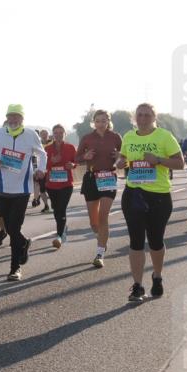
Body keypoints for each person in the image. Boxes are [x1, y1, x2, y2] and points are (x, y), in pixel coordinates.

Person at [116, 103, 184, 303]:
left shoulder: (164, 136)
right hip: (133, 194)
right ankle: (137, 286)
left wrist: (159, 160)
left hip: (158, 196)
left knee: (155, 241)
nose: (143, 118)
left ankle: (157, 275)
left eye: (147, 115)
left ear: (154, 117)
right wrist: (120, 162)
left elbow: (180, 163)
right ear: (134, 118)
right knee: (136, 241)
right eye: (139, 115)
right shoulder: (129, 136)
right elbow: (123, 157)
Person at [0, 105, 46, 281]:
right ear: (6, 118)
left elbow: (42, 154)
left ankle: (15, 268)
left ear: (22, 119)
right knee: (9, 228)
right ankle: (24, 242)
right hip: (2, 189)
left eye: (16, 117)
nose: (13, 120)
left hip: (22, 189)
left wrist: (41, 169)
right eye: (10, 116)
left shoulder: (30, 134)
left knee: (14, 228)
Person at [76, 109, 122, 267]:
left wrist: (120, 156)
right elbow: (77, 158)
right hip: (91, 179)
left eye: (103, 121)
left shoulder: (115, 137)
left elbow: (125, 156)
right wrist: (85, 156)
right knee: (94, 222)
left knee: (103, 216)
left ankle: (100, 253)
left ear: (108, 122)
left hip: (108, 177)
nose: (101, 124)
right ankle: (101, 237)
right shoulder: (87, 138)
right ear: (93, 122)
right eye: (97, 121)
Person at [43, 124, 78, 249]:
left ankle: (59, 235)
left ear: (65, 134)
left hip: (66, 184)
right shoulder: (46, 149)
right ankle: (63, 229)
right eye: (56, 133)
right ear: (52, 135)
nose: (58, 135)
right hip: (51, 185)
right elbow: (42, 166)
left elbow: (76, 162)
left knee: (61, 208)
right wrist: (51, 162)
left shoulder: (70, 147)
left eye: (61, 133)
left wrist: (72, 165)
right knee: (56, 209)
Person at [31, 129, 52, 213]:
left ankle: (54, 203)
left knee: (52, 189)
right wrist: (35, 170)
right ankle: (46, 205)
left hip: (51, 169)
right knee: (42, 189)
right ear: (40, 135)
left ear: (48, 135)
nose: (44, 135)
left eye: (45, 134)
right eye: (42, 134)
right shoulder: (36, 145)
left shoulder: (53, 143)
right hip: (41, 170)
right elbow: (34, 158)